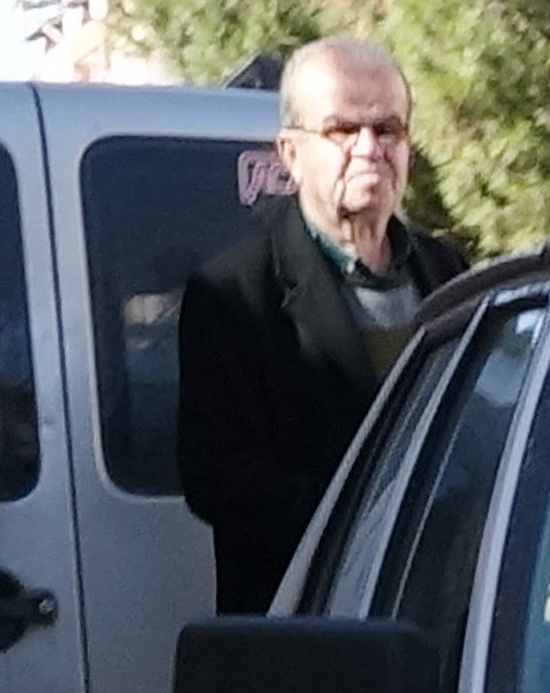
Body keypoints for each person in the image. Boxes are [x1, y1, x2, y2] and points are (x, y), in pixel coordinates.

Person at [178, 37, 468, 613]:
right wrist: (378, 520)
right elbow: (220, 479)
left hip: (443, 617)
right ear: (290, 153)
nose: (370, 149)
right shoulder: (233, 293)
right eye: (343, 129)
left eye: (387, 129)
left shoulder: (448, 272)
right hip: (312, 622)